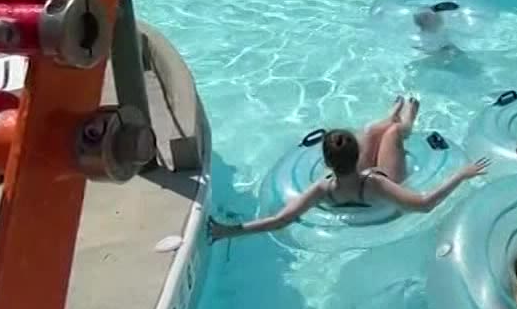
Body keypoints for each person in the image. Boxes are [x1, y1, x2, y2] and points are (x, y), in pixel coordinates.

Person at [207, 96, 488, 240]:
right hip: (377, 183)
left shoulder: (322, 187)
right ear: (356, 156)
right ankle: (405, 124)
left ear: (327, 163)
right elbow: (424, 204)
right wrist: (460, 174)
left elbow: (280, 220)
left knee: (371, 129)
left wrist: (229, 231)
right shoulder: (378, 184)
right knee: (390, 134)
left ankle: (390, 118)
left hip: (347, 186)